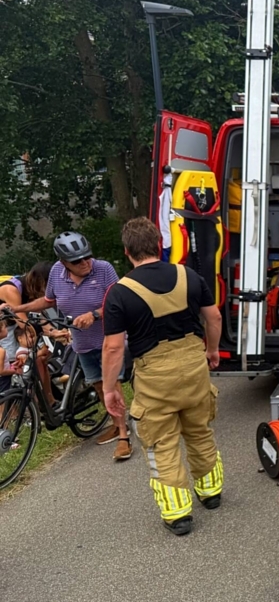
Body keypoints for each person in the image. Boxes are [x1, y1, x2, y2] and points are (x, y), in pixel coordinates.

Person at [101, 218, 223, 535]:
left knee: (161, 443)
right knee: (199, 431)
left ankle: (178, 514)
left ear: (127, 252)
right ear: (158, 244)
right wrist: (212, 350)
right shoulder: (189, 275)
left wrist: (109, 388)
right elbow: (213, 317)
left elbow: (113, 348)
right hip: (193, 365)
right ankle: (211, 493)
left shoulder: (119, 292)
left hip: (154, 376)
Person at [14, 232, 131, 459]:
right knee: (99, 385)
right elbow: (49, 301)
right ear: (64, 262)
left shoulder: (103, 269)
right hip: (82, 342)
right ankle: (117, 424)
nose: (85, 262)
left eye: (87, 256)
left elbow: (118, 301)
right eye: (77, 261)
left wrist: (94, 315)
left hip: (109, 339)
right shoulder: (57, 273)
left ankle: (124, 437)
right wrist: (19, 308)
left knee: (112, 386)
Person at [0, 262, 57, 406]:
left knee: (41, 360)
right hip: (5, 328)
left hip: (14, 325)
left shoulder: (32, 290)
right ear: (40, 281)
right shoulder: (11, 289)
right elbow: (23, 323)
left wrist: (54, 332)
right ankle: (14, 406)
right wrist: (49, 334)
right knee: (14, 364)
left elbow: (39, 316)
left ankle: (48, 401)